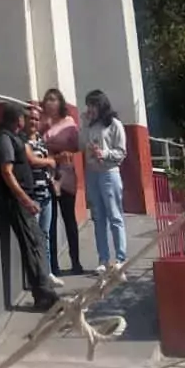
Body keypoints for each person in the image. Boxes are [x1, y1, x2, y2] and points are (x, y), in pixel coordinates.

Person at [0, 106, 57, 312]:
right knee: (31, 244)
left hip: (24, 198)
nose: (25, 120)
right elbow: (7, 172)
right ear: (16, 119)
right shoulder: (4, 139)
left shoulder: (14, 137)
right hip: (16, 201)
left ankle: (44, 291)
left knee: (36, 242)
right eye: (22, 117)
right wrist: (25, 200)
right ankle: (43, 295)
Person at [81, 89, 127, 272]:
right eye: (88, 105)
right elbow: (80, 143)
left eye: (92, 105)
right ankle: (103, 259)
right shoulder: (89, 125)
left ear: (101, 105)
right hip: (92, 173)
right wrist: (84, 124)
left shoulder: (114, 124)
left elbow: (122, 152)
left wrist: (105, 153)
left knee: (114, 215)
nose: (89, 109)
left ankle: (121, 259)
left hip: (109, 173)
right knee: (98, 217)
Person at [42, 86, 83, 276]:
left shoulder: (69, 123)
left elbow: (76, 146)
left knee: (69, 220)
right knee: (50, 221)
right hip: (48, 174)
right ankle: (53, 265)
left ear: (60, 102)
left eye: (54, 99)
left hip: (65, 174)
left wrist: (53, 145)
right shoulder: (43, 123)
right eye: (47, 99)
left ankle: (76, 262)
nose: (50, 103)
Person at [23, 102, 63, 286]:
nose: (34, 122)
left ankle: (46, 273)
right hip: (32, 197)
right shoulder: (23, 140)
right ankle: (37, 277)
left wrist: (53, 179)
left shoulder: (40, 141)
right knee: (34, 238)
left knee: (45, 235)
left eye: (36, 119)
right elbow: (32, 161)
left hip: (46, 194)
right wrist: (49, 161)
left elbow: (49, 166)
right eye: (31, 118)